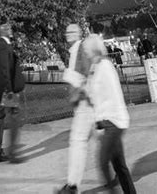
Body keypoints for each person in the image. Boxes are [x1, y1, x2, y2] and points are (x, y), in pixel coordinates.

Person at [55, 23, 108, 194]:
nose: (68, 34)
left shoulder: (81, 50)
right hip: (84, 104)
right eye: (67, 31)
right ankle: (114, 174)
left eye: (72, 31)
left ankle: (72, 185)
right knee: (98, 141)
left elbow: (88, 76)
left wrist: (73, 79)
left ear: (78, 34)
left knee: (78, 143)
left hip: (85, 104)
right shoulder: (74, 51)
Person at [83, 35, 137, 193]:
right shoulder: (95, 66)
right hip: (107, 122)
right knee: (119, 166)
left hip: (113, 121)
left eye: (86, 49)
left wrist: (101, 122)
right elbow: (94, 94)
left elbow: (113, 96)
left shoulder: (105, 66)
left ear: (93, 49)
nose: (85, 52)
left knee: (103, 163)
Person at [0, 22, 25, 164]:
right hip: (7, 91)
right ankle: (7, 153)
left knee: (1, 117)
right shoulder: (3, 45)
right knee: (12, 117)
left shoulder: (5, 44)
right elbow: (5, 69)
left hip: (4, 89)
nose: (12, 30)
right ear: (4, 31)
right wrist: (10, 90)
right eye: (10, 29)